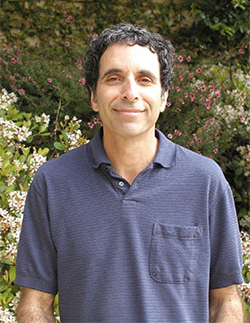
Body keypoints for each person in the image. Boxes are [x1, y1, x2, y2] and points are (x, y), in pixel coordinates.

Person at [15, 23, 246, 323]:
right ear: (94, 96)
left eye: (145, 79)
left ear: (163, 98)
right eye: (114, 78)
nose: (130, 93)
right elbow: (35, 304)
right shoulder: (52, 183)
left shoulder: (206, 181)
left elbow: (225, 301)